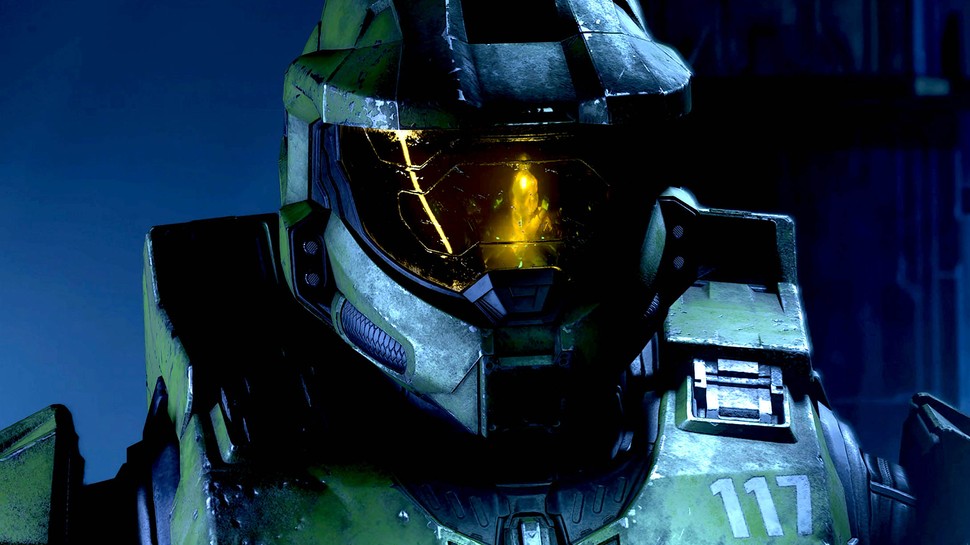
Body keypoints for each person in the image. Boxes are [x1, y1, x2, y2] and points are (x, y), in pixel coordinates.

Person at [1, 0, 967, 543]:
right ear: (322, 196)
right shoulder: (144, 505)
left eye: (566, 194)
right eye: (456, 193)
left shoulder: (824, 475)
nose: (518, 253)